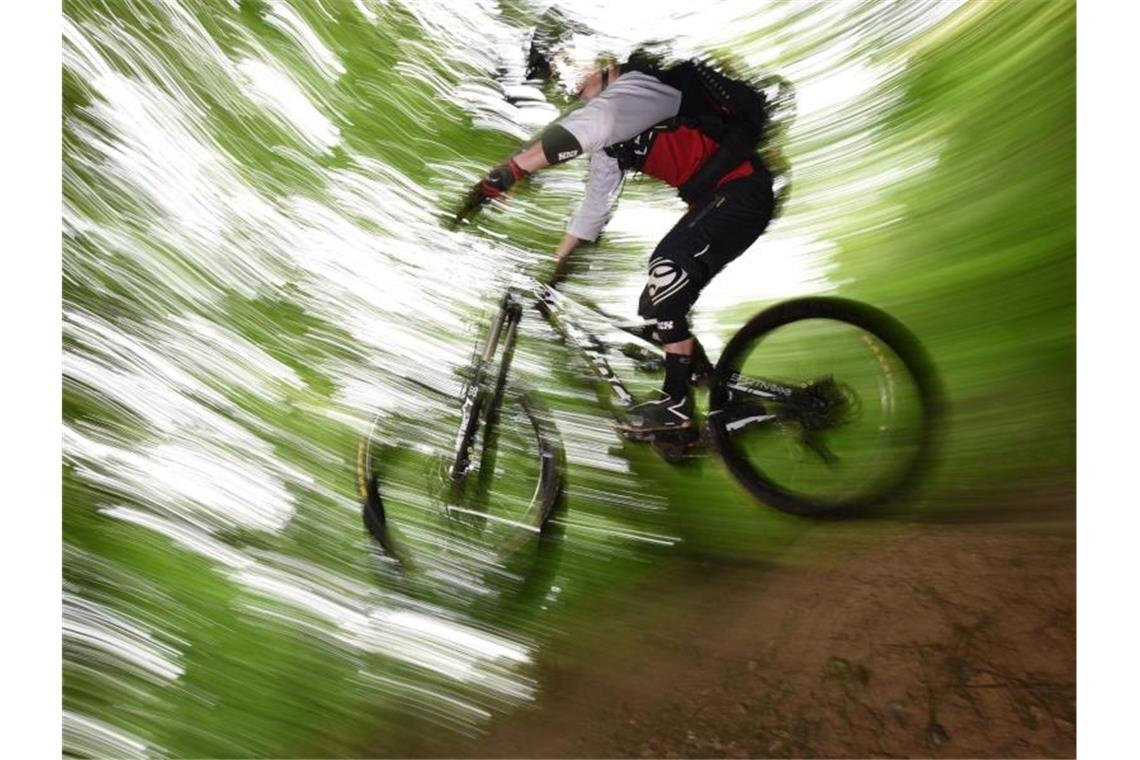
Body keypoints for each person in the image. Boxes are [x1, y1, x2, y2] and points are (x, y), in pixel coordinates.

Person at [465, 50, 776, 436]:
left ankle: (676, 408)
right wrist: (555, 271)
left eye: (569, 70)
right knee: (654, 307)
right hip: (718, 201)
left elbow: (596, 123)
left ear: (600, 61)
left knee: (667, 268)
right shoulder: (612, 137)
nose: (570, 88)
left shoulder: (639, 88)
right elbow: (595, 205)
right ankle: (726, 405)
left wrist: (515, 168)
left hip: (743, 190)